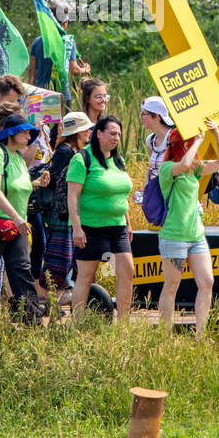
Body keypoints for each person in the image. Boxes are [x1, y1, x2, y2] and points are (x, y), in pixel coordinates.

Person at [0, 112, 45, 321]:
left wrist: (36, 184)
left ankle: (32, 323)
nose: (28, 136)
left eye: (30, 133)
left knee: (22, 271)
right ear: (10, 134)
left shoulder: (17, 157)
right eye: (24, 132)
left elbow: (15, 187)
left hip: (15, 224)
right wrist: (18, 218)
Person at [158, 118, 219, 334]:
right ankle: (165, 334)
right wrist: (197, 142)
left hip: (195, 235)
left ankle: (201, 334)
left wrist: (216, 135)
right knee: (171, 286)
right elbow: (184, 164)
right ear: (183, 146)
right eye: (189, 144)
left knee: (207, 282)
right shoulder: (168, 169)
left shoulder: (193, 169)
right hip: (174, 235)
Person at [69, 115, 134, 322]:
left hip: (117, 227)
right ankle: (77, 323)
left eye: (119, 135)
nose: (116, 138)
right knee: (86, 276)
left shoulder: (118, 160)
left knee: (127, 271)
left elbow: (122, 195)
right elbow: (72, 197)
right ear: (98, 133)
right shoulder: (82, 159)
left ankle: (123, 324)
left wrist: (129, 222)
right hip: (91, 227)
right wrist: (77, 228)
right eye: (112, 133)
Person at [38, 111, 94, 295]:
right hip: (61, 213)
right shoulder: (66, 152)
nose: (89, 133)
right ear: (79, 132)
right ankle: (52, 298)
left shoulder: (71, 150)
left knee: (66, 257)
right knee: (59, 259)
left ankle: (61, 295)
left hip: (66, 212)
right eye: (87, 129)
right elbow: (55, 180)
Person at [27, 1, 90, 102]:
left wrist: (30, 93)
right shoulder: (68, 42)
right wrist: (85, 69)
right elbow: (75, 70)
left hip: (39, 95)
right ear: (65, 24)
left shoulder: (37, 42)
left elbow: (31, 71)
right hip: (61, 96)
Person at [139, 96, 174, 186]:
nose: (141, 117)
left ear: (156, 116)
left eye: (143, 114)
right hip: (159, 194)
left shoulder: (174, 139)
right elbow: (152, 170)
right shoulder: (150, 140)